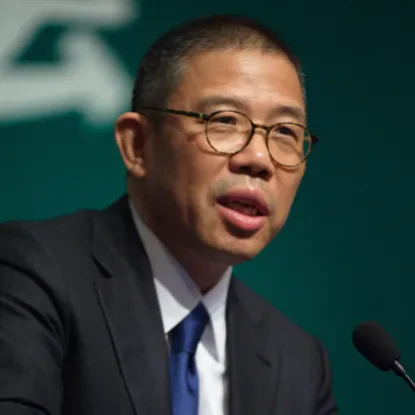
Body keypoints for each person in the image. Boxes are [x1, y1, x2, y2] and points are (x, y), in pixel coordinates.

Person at [0, 14, 338, 415]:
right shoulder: (32, 273)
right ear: (138, 145)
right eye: (225, 121)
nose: (260, 159)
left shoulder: (299, 363)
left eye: (285, 132)